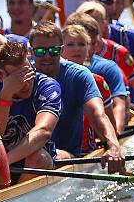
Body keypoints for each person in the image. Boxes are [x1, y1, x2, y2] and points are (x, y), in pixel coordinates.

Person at [29, 21, 125, 172]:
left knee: (40, 157)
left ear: (61, 51)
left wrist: (113, 145)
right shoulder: (23, 74)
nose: (47, 56)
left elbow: (98, 113)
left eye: (53, 51)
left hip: (65, 155)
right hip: (30, 151)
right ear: (31, 52)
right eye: (40, 51)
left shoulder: (79, 74)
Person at [0, 39, 61, 184]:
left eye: (28, 73)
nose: (26, 83)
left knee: (38, 157)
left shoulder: (47, 85)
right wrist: (5, 96)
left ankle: (13, 200)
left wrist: (4, 163)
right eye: (17, 78)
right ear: (1, 77)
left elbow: (44, 131)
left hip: (31, 164)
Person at [79, 0, 134, 116]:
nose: (89, 27)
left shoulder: (119, 53)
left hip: (121, 111)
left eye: (94, 22)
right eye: (84, 24)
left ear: (104, 23)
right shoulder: (70, 52)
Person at [65, 11, 128, 133]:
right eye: (72, 44)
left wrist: (115, 138)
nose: (78, 49)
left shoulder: (106, 69)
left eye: (84, 43)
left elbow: (119, 106)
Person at [61, 23, 115, 154]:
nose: (76, 49)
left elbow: (109, 124)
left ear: (89, 49)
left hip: (86, 153)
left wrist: (112, 146)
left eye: (81, 44)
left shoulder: (98, 82)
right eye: (70, 44)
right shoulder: (49, 80)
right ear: (61, 49)